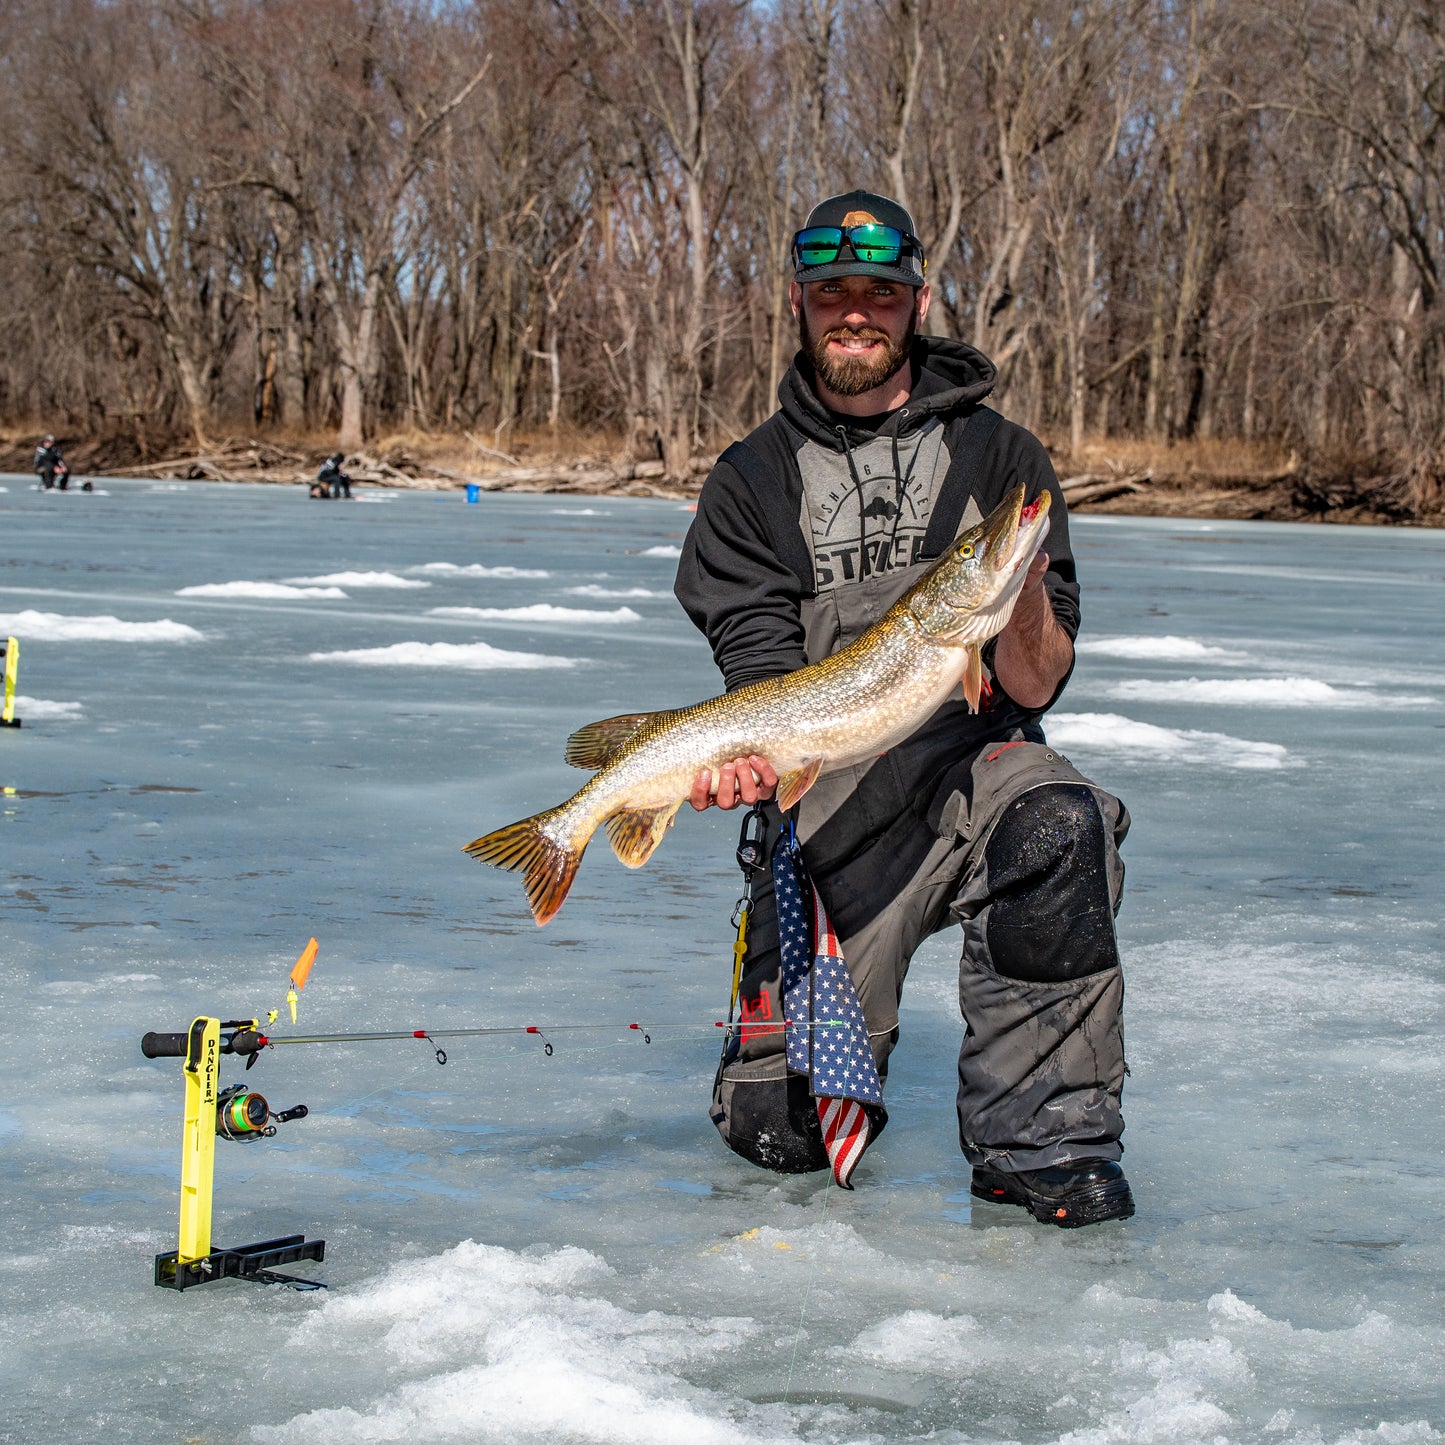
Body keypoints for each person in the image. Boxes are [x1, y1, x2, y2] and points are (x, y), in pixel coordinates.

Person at [674, 190, 1134, 1228]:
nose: (854, 313)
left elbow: (1033, 682)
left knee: (1058, 821)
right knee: (781, 1134)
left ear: (914, 301)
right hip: (828, 808)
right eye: (832, 292)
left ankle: (1043, 1142)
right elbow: (760, 671)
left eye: (877, 294)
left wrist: (1008, 582)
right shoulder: (748, 481)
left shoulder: (1000, 458)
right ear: (799, 303)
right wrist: (748, 756)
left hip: (974, 781)